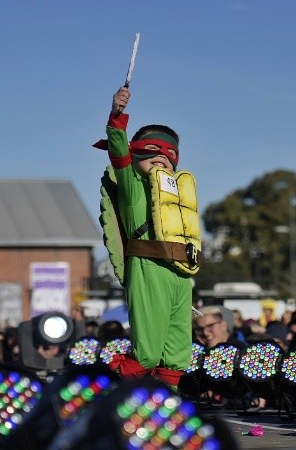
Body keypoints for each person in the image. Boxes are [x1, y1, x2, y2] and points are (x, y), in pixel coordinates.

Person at [93, 86, 201, 389]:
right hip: (148, 267)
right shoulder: (133, 186)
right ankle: (100, 392)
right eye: (151, 150)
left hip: (180, 275)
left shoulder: (178, 193)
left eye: (168, 153)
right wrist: (117, 116)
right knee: (147, 354)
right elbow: (118, 152)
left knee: (177, 356)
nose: (160, 157)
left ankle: (166, 407)